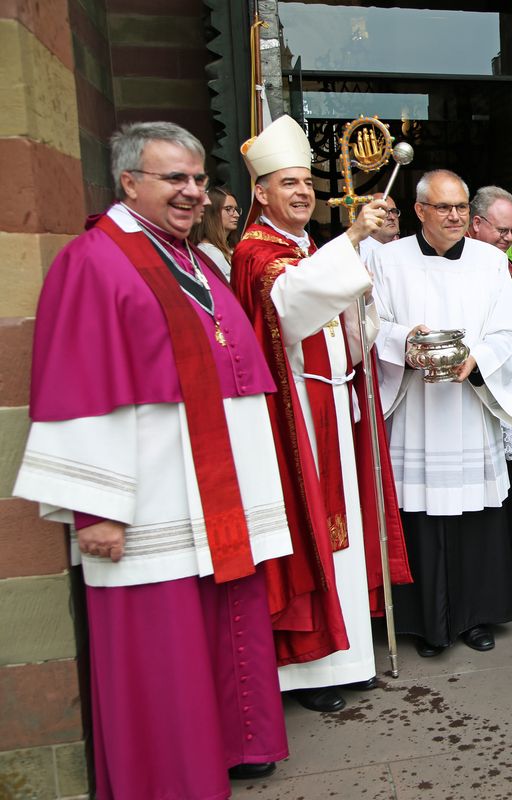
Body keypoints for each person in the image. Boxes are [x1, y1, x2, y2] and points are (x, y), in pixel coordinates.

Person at [14, 121, 293, 797]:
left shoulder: (189, 258)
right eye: (175, 178)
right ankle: (170, 777)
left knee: (215, 625)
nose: (193, 192)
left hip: (208, 495)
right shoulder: (95, 260)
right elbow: (80, 383)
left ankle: (228, 745)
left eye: (198, 178)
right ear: (129, 180)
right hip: (152, 502)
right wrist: (98, 508)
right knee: (163, 645)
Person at [232, 115, 409, 713]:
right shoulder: (256, 253)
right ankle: (311, 669)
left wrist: (362, 310)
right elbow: (288, 308)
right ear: (261, 193)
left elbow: (341, 318)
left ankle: (351, 655)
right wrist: (353, 243)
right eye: (288, 184)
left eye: (307, 182)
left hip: (336, 398)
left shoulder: (305, 247)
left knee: (349, 530)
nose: (303, 193)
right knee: (318, 531)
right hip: (298, 413)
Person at [371, 168, 512, 657]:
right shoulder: (388, 260)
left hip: (467, 408)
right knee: (420, 517)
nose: (456, 215)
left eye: (461, 206)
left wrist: (478, 358)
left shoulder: (489, 261)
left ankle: (475, 616)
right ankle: (427, 622)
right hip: (414, 408)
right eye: (444, 207)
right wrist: (406, 343)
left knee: (475, 517)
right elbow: (370, 324)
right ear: (419, 211)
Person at [467, 185, 512, 567]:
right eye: (502, 231)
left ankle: (510, 550)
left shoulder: (509, 269)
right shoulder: (459, 264)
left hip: (501, 383)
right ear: (476, 224)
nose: (510, 239)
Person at [189, 184, 240, 279]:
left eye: (236, 209)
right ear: (212, 213)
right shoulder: (210, 252)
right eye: (228, 209)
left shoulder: (229, 248)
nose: (236, 214)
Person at [358, 192, 400, 263]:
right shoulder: (359, 253)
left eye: (394, 211)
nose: (392, 217)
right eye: (383, 211)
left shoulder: (404, 248)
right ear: (367, 217)